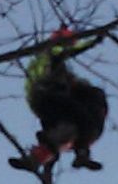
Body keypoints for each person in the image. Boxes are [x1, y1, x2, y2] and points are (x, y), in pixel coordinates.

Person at [8, 26, 107, 173]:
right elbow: (66, 51)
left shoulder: (50, 61)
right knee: (82, 116)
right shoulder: (50, 53)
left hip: (45, 100)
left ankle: (36, 159)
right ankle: (81, 150)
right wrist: (93, 41)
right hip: (46, 95)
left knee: (65, 129)